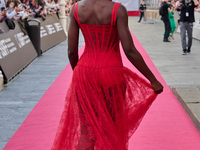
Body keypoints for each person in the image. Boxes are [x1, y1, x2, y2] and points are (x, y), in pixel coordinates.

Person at [51, 0, 163, 149]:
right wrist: (152, 79)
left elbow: (71, 51)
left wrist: (79, 74)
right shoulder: (117, 10)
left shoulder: (76, 9)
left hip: (84, 71)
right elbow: (129, 50)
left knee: (86, 132)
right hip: (111, 73)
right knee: (112, 129)